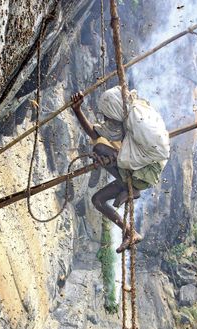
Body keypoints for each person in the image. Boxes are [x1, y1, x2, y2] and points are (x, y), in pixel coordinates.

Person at [71, 86, 170, 253]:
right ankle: (131, 232)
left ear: (115, 109)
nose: (105, 119)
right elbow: (96, 134)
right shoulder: (125, 118)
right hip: (133, 170)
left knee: (100, 149)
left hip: (143, 173)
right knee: (98, 200)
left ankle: (132, 189)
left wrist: (119, 157)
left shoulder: (139, 119)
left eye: (108, 115)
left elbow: (158, 151)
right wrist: (77, 110)